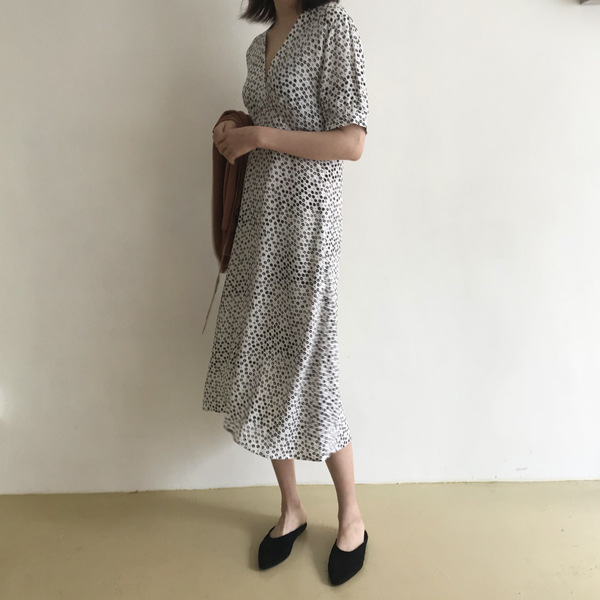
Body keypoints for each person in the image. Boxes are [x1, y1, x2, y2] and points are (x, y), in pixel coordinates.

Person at [203, 0, 370, 584]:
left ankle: (351, 516)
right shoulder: (259, 46)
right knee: (264, 359)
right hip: (258, 223)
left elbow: (351, 142)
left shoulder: (332, 25)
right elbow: (259, 134)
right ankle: (291, 508)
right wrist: (233, 132)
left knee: (311, 362)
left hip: (307, 224)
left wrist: (259, 134)